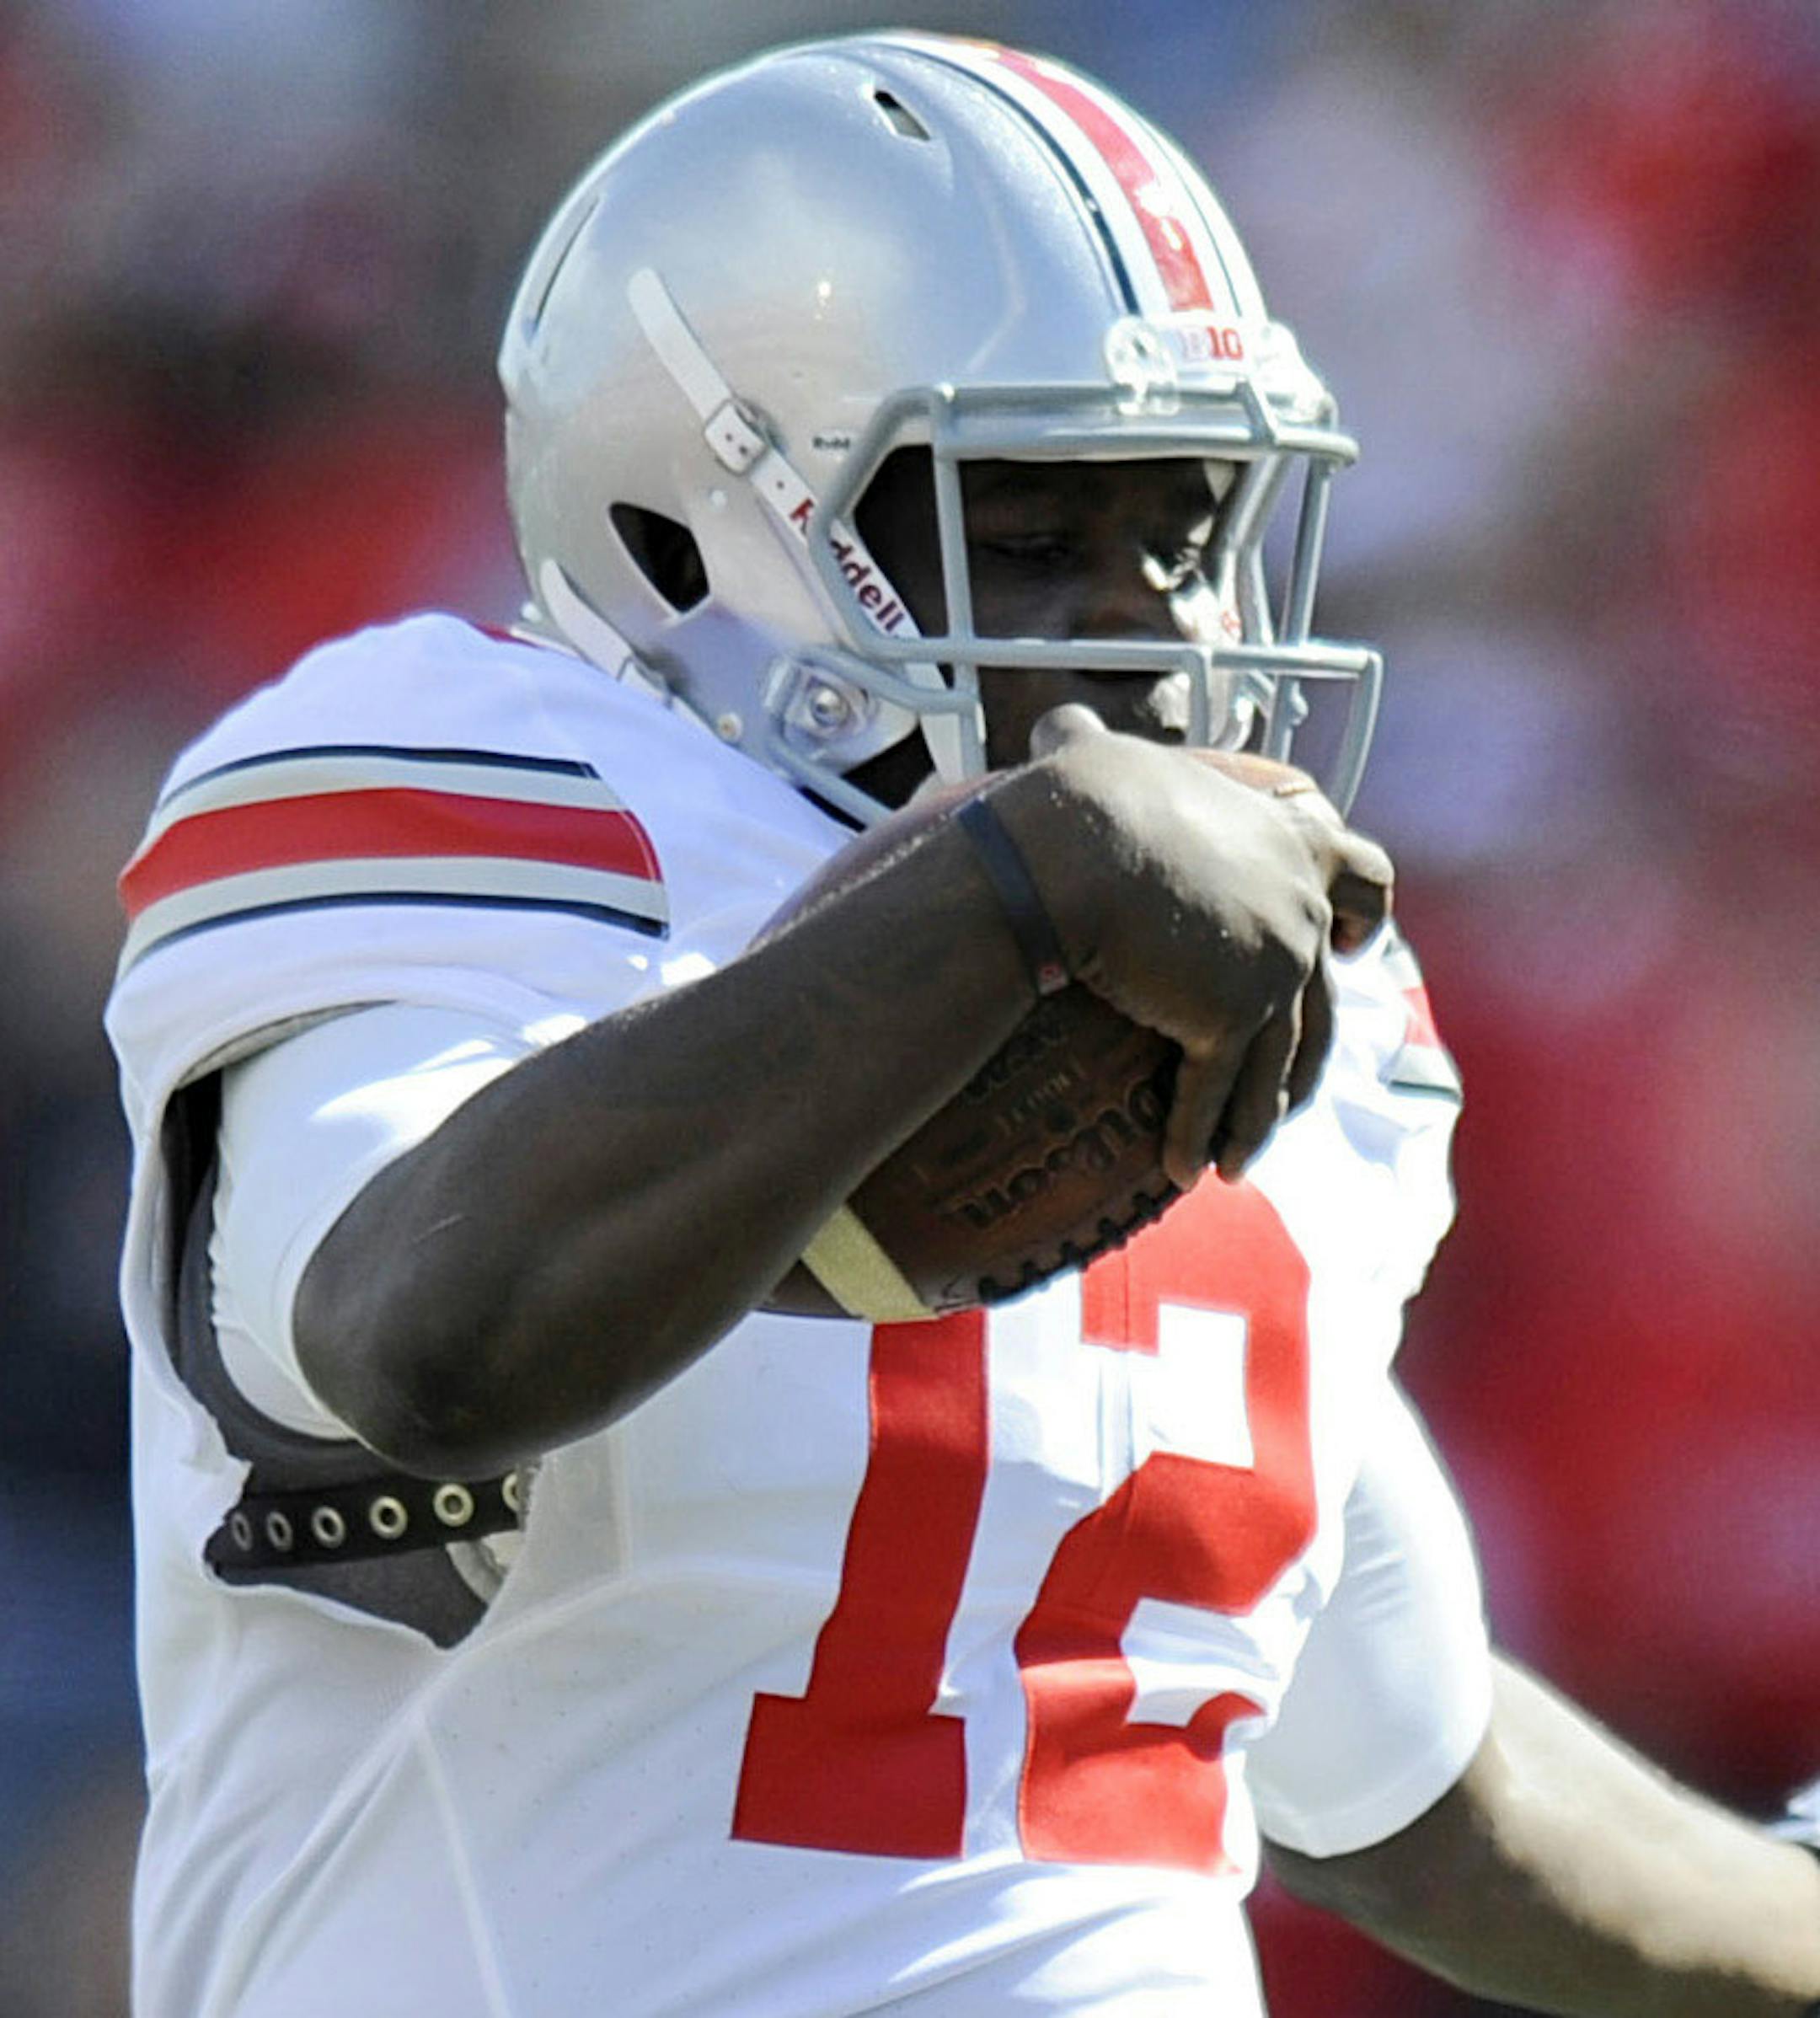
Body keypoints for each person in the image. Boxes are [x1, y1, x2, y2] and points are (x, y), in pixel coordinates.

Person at [104, 31, 1820, 2018]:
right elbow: (429, 1330)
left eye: (1187, 537)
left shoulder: (1270, 1010)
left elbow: (1427, 1790)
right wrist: (1007, 894)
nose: (1157, 636)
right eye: (1035, 535)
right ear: (689, 527)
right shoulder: (481, 789)